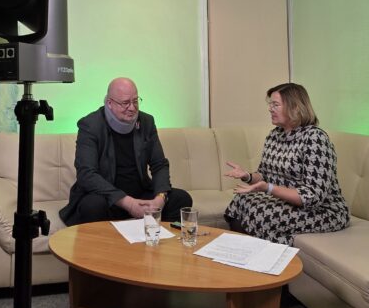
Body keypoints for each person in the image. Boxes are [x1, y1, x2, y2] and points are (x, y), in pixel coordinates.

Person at [224, 82, 349, 245]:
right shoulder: (274, 136)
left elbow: (312, 197)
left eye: (275, 104)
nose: (270, 109)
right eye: (270, 104)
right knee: (241, 200)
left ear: (295, 107)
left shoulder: (315, 139)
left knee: (263, 214)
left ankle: (268, 257)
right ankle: (239, 254)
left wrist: (268, 188)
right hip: (287, 203)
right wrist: (247, 176)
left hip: (323, 211)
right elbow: (264, 175)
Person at [59, 77, 192, 225]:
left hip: (139, 193)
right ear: (109, 103)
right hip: (106, 197)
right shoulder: (90, 125)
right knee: (92, 206)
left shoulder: (146, 122)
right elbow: (86, 174)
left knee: (182, 199)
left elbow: (159, 165)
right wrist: (127, 203)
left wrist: (160, 198)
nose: (132, 108)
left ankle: (155, 236)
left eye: (135, 101)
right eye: (125, 103)